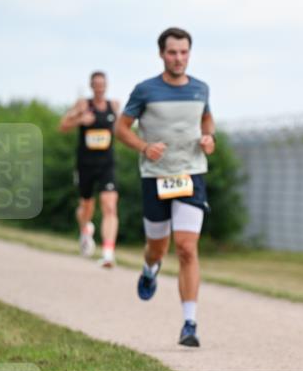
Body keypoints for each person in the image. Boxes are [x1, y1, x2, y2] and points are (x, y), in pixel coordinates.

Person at [115, 27, 215, 348]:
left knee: (186, 247)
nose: (179, 58)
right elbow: (120, 128)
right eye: (172, 52)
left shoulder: (201, 88)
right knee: (158, 246)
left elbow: (207, 120)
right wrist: (144, 147)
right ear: (161, 54)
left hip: (191, 174)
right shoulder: (145, 90)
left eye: (184, 52)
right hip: (155, 177)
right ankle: (149, 268)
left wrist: (208, 138)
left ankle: (190, 323)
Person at [59, 71, 120, 267]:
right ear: (91, 86)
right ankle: (85, 230)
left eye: (103, 84)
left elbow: (122, 129)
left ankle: (108, 253)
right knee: (86, 206)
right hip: (85, 164)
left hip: (107, 164)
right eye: (96, 84)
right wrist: (79, 119)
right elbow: (63, 126)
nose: (100, 88)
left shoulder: (114, 106)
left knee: (109, 205)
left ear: (107, 85)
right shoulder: (83, 105)